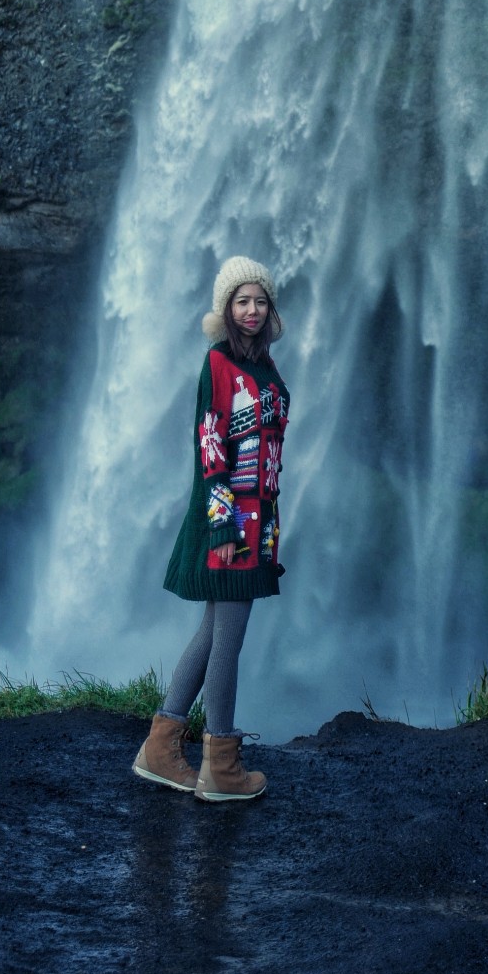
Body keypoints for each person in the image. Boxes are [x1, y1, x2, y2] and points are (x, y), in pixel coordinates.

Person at [132, 256, 290, 803]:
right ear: (226, 310)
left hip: (257, 524)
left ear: (270, 310)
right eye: (241, 301)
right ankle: (220, 766)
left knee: (211, 635)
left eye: (260, 300)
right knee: (229, 642)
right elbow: (210, 445)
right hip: (229, 526)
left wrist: (266, 533)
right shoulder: (218, 364)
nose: (251, 310)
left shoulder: (266, 370)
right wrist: (223, 524)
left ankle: (160, 747)